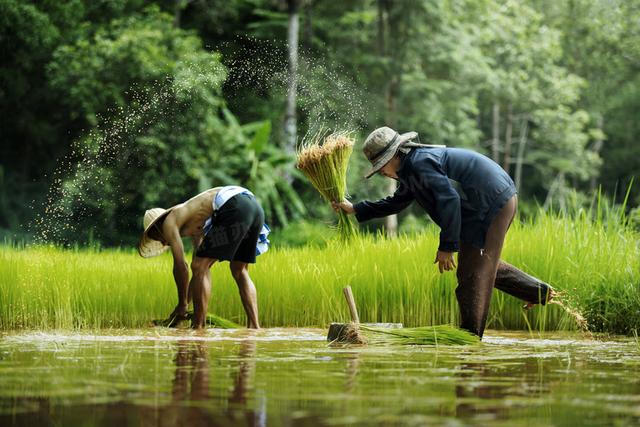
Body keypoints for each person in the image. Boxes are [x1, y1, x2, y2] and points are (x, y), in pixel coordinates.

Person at [332, 126, 554, 338]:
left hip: (491, 202)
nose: (382, 172)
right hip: (483, 205)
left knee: (472, 276)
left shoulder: (420, 164)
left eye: (381, 167)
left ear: (393, 156)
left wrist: (447, 247)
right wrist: (355, 209)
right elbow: (396, 203)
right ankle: (536, 292)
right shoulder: (410, 170)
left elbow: (450, 200)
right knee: (478, 264)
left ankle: (470, 339)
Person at [138, 186, 269, 329]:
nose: (162, 242)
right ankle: (255, 327)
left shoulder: (170, 221)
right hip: (253, 207)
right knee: (239, 269)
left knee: (199, 266)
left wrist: (182, 304)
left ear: (158, 226)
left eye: (156, 236)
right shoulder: (195, 221)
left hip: (235, 205)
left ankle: (198, 327)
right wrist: (185, 304)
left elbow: (181, 267)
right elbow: (198, 274)